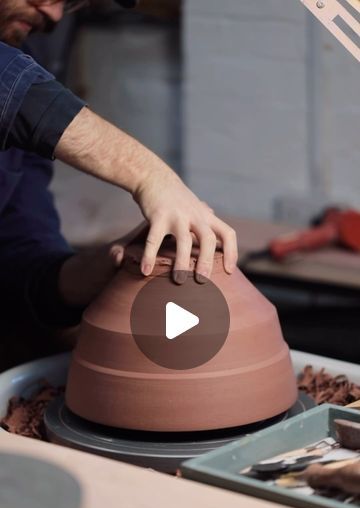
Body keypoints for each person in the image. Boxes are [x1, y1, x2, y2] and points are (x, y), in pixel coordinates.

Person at [0, 0, 238, 367]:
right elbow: (10, 84)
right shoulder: (15, 72)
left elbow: (18, 252)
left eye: (70, 2)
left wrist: (92, 274)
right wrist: (151, 176)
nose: (55, 15)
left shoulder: (25, 48)